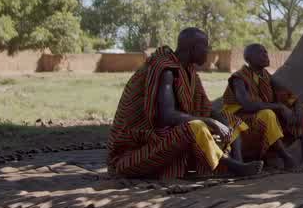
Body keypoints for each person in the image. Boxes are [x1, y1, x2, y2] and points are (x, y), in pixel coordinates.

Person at [107, 28, 262, 180]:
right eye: (205, 46)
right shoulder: (165, 69)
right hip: (138, 150)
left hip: (168, 137)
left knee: (228, 118)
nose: (208, 51)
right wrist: (210, 122)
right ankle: (231, 166)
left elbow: (206, 108)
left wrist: (222, 122)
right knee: (196, 127)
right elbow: (166, 116)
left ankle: (239, 162)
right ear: (193, 48)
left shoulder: (189, 71)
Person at [221, 43, 303, 169]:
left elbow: (291, 96)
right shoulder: (239, 78)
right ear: (249, 59)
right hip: (242, 122)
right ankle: (286, 157)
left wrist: (297, 109)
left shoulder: (266, 76)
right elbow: (247, 105)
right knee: (267, 114)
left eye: (265, 52)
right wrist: (280, 107)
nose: (265, 55)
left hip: (263, 118)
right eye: (260, 53)